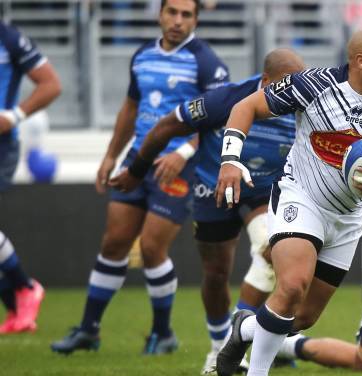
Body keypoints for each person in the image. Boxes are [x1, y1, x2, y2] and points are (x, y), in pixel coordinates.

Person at [214, 27, 362, 376]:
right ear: (361, 60)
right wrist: (230, 160)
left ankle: (246, 329)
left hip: (348, 218)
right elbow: (246, 107)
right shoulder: (315, 85)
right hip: (300, 198)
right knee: (291, 286)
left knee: (301, 317)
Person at [109, 48, 305, 373]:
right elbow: (166, 127)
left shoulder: (304, 106)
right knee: (215, 274)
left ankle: (241, 341)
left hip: (266, 191)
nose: (291, 97)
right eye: (284, 88)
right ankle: (218, 346)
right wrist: (137, 169)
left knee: (270, 253)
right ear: (265, 81)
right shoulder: (224, 100)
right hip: (215, 187)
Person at [50, 0, 229, 355]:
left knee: (150, 248)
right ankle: (88, 330)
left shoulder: (206, 62)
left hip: (178, 164)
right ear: (160, 14)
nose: (178, 21)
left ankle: (162, 333)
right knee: (114, 242)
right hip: (138, 159)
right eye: (172, 12)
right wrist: (110, 156)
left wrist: (183, 152)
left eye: (186, 15)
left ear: (195, 19)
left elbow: (218, 115)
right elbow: (131, 109)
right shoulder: (142, 55)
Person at [0, 22, 61, 334]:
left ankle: (24, 289)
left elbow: (51, 83)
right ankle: (16, 302)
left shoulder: (10, 39)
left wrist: (13, 117)